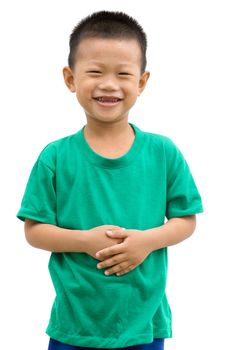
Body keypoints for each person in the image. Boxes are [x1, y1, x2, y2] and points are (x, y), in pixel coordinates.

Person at [17, 11, 203, 350]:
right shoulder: (55, 157)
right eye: (95, 72)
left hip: (144, 321)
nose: (108, 84)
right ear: (70, 78)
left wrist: (146, 241)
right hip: (74, 323)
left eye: (123, 74)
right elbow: (34, 231)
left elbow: (186, 220)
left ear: (141, 82)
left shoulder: (163, 152)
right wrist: (86, 241)